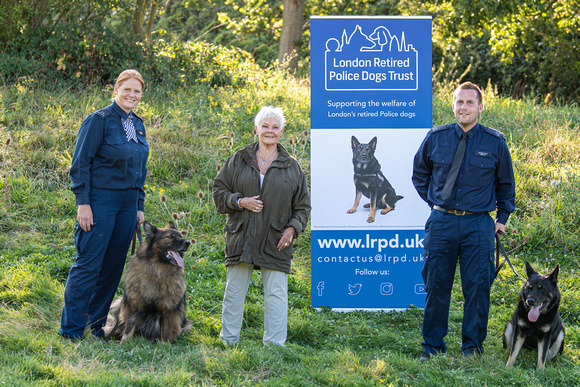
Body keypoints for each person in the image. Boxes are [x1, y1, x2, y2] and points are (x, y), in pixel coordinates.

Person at [412, 82, 516, 360]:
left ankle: (472, 347)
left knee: (478, 288)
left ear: (480, 108)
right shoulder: (436, 138)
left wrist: (501, 219)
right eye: (460, 102)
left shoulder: (495, 142)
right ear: (453, 105)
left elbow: (506, 186)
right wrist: (437, 203)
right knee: (436, 286)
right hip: (442, 222)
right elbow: (419, 175)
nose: (464, 107)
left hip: (478, 226)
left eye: (470, 103)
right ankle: (432, 347)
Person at [58, 69, 149, 341]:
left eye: (137, 91)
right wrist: (83, 203)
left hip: (128, 203)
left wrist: (139, 205)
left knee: (111, 268)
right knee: (88, 265)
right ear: (116, 89)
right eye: (127, 89)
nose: (132, 95)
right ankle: (71, 330)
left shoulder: (139, 124)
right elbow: (80, 164)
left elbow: (140, 168)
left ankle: (96, 326)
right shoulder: (99, 120)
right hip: (101, 201)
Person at [212, 106, 311, 347]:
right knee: (234, 291)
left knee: (276, 293)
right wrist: (238, 201)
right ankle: (228, 341)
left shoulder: (292, 166)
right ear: (256, 129)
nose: (269, 131)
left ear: (282, 131)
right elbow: (218, 191)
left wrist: (292, 229)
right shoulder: (239, 159)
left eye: (275, 127)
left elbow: (303, 206)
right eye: (265, 126)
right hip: (241, 235)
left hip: (275, 238)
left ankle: (275, 346)